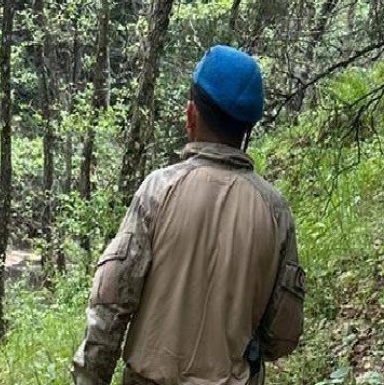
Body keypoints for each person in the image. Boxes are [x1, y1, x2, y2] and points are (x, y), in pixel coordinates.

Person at [72, 45, 304, 385]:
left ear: (190, 115)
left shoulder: (158, 190)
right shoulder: (275, 211)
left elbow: (110, 307)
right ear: (246, 130)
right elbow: (283, 333)